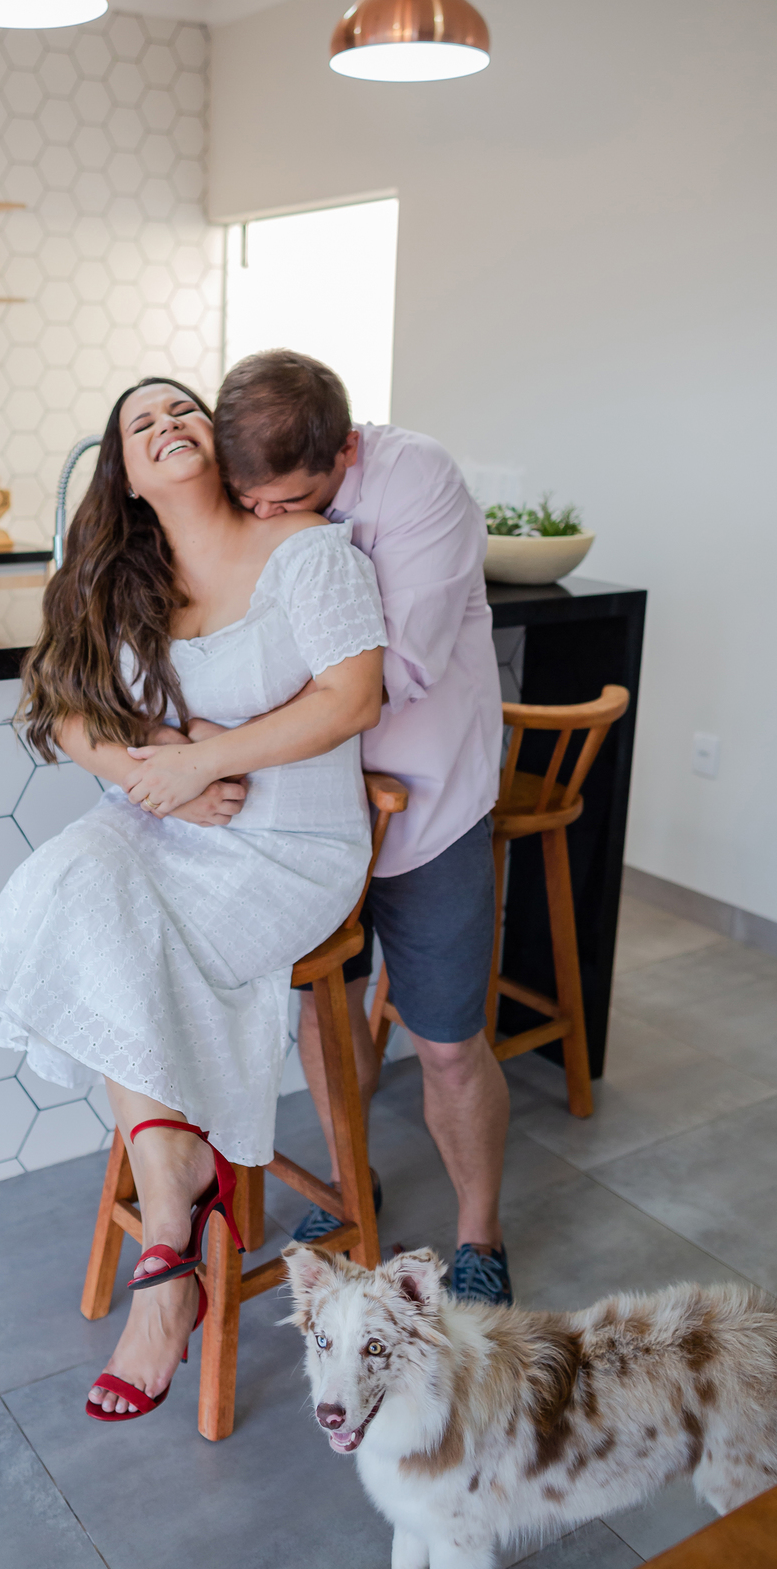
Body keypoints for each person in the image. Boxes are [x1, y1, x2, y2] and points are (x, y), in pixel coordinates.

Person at [0, 377, 388, 1422]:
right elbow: (63, 710)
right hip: (162, 829)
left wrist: (206, 760)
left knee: (122, 936)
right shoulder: (120, 576)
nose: (165, 426)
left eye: (182, 410)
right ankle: (176, 1184)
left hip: (289, 850)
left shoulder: (308, 555)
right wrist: (155, 775)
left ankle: (166, 1252)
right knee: (70, 884)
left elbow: (352, 698)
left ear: (219, 442)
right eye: (140, 425)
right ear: (128, 477)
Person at [214, 350, 512, 1307]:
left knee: (447, 1040)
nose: (266, 518)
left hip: (428, 804)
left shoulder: (419, 480)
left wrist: (232, 727)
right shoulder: (255, 491)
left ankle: (480, 1234)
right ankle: (352, 1184)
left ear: (344, 449)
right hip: (309, 811)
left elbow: (390, 676)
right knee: (326, 1013)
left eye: (290, 500)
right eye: (249, 502)